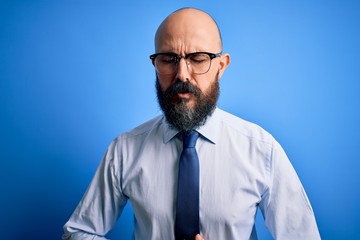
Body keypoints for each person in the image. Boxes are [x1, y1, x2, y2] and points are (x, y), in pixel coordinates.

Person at [63, 7, 321, 240]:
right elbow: (77, 233)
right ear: (155, 64)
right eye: (168, 59)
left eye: (198, 59)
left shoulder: (261, 150)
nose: (182, 75)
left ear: (221, 66)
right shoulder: (125, 149)